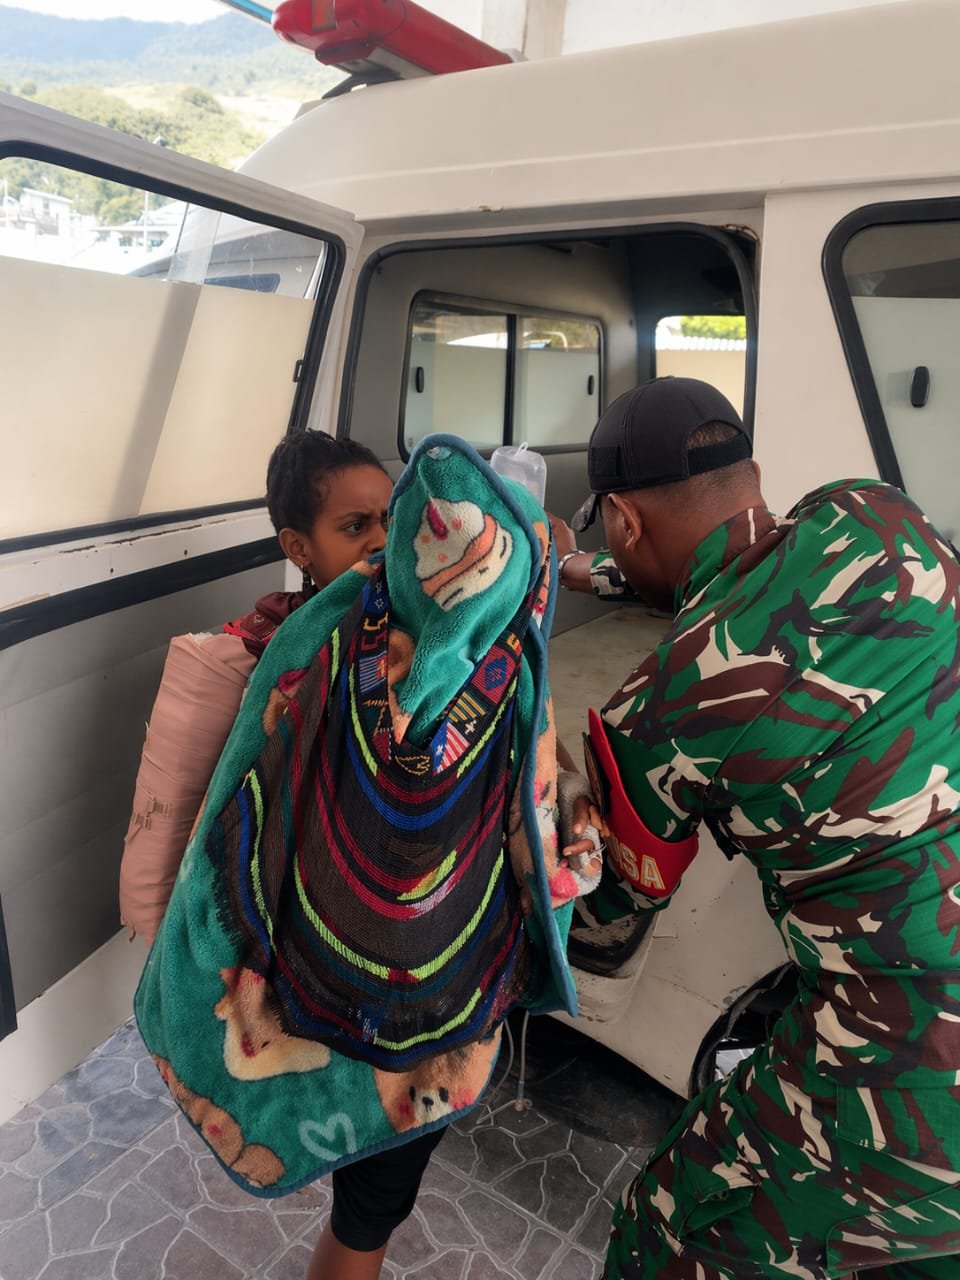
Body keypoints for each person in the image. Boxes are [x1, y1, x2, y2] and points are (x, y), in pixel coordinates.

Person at [122, 430, 600, 1280]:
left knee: (370, 1211)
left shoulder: (441, 639)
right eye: (355, 527)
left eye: (391, 518)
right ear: (297, 546)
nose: (386, 541)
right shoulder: (294, 650)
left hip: (411, 991)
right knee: (369, 1213)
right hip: (314, 975)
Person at [553, 376, 960, 1280]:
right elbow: (743, 571)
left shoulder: (658, 712)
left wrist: (559, 785)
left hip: (918, 1075)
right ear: (755, 476)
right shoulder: (875, 513)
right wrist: (574, 572)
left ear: (622, 519)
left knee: (665, 1232)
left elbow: (601, 930)